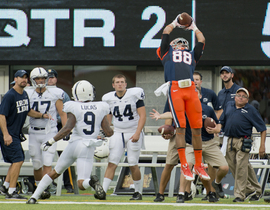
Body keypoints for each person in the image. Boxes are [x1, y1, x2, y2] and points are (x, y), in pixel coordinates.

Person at [26, 80, 113, 204]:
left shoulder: (73, 105)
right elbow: (109, 132)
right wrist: (101, 134)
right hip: (87, 147)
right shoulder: (101, 106)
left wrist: (51, 141)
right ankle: (92, 182)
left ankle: (34, 197)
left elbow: (67, 128)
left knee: (55, 172)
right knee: (82, 183)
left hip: (74, 145)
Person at [156, 14, 209, 181]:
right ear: (171, 46)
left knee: (196, 128)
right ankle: (185, 164)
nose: (180, 44)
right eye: (177, 42)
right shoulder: (166, 53)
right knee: (180, 127)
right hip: (176, 89)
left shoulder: (191, 56)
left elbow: (201, 40)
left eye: (183, 43)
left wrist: (193, 27)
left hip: (191, 89)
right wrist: (175, 23)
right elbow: (165, 33)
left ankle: (199, 165)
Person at [0, 70, 50, 199]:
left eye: (26, 77)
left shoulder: (24, 94)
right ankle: (12, 191)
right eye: (21, 77)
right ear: (15, 79)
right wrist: (6, 134)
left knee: (16, 161)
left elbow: (28, 111)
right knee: (18, 160)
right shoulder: (10, 95)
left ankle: (5, 187)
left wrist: (42, 115)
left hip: (14, 133)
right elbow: (1, 115)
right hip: (8, 133)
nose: (24, 80)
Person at [101, 74, 146, 200]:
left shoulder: (135, 95)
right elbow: (108, 118)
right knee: (112, 162)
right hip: (118, 132)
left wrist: (138, 132)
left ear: (126, 84)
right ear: (113, 85)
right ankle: (103, 192)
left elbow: (142, 115)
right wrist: (104, 131)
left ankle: (138, 192)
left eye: (122, 82)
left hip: (133, 131)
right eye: (117, 82)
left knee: (132, 162)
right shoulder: (108, 98)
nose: (120, 84)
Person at [25, 67, 67, 199]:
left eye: (43, 78)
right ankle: (39, 188)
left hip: (49, 132)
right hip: (33, 132)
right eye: (37, 78)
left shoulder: (56, 93)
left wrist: (65, 129)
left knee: (47, 162)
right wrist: (41, 115)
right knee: (37, 163)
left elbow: (62, 112)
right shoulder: (27, 93)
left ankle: (46, 188)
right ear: (32, 80)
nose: (40, 81)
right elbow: (27, 111)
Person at [219, 88, 266, 202]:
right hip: (229, 139)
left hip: (243, 140)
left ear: (247, 100)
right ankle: (254, 189)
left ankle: (240, 195)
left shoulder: (251, 110)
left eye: (244, 96)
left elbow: (262, 128)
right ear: (235, 97)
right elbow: (222, 121)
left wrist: (262, 145)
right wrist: (216, 129)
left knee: (241, 166)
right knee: (239, 166)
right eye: (238, 95)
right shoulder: (229, 106)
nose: (240, 97)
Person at [47, 68, 73, 193]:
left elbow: (68, 113)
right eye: (47, 77)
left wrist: (66, 130)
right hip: (45, 126)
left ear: (56, 79)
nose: (49, 79)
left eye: (52, 77)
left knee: (64, 156)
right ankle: (47, 183)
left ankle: (69, 185)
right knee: (45, 156)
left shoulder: (62, 93)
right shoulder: (40, 92)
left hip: (59, 126)